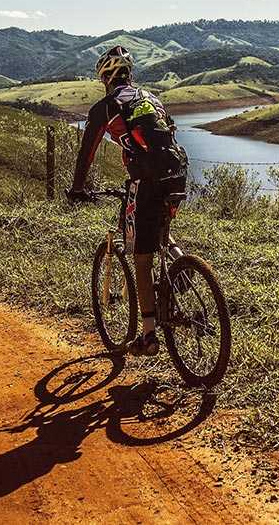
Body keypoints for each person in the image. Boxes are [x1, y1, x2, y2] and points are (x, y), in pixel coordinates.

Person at [67, 46, 188, 357]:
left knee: (142, 258)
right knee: (160, 232)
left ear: (104, 78)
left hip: (146, 182)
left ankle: (148, 336)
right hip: (176, 174)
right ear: (129, 75)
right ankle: (184, 270)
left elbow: (87, 153)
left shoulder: (106, 107)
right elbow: (170, 135)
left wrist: (77, 188)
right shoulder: (151, 99)